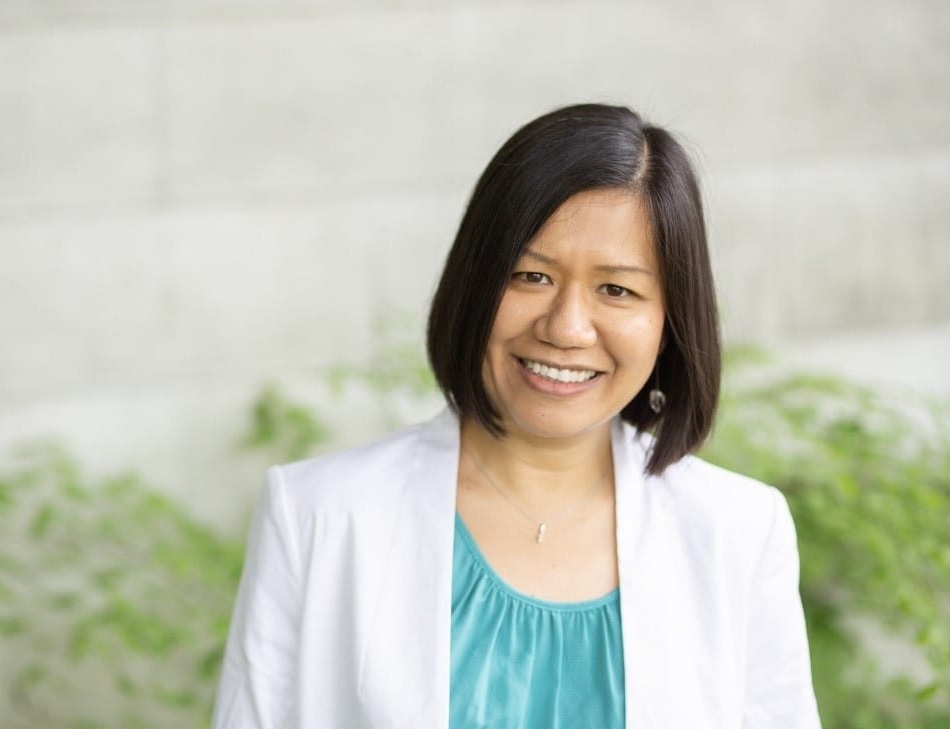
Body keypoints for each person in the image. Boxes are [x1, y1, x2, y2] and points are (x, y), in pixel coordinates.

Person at [212, 103, 821, 728]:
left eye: (617, 289)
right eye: (531, 275)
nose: (566, 328)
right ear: (474, 284)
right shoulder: (316, 515)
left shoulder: (738, 531)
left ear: (670, 322)